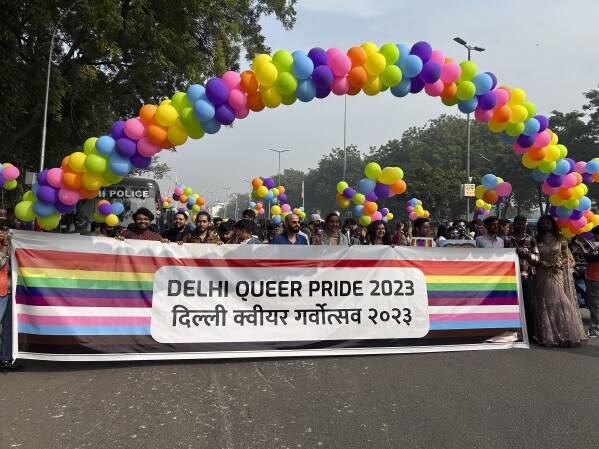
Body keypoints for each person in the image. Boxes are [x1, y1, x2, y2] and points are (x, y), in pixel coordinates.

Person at [533, 215, 588, 347]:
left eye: (548, 223)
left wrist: (560, 262)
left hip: (557, 273)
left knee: (561, 301)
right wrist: (539, 262)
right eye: (543, 223)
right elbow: (533, 256)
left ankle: (565, 334)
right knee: (544, 302)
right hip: (541, 273)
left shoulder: (561, 239)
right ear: (540, 226)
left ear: (552, 225)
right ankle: (547, 336)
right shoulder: (536, 240)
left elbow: (567, 257)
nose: (545, 225)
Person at [505, 215, 540, 340]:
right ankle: (510, 332)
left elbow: (537, 258)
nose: (521, 226)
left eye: (523, 224)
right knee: (509, 306)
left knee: (528, 305)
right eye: (519, 223)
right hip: (507, 277)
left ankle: (529, 334)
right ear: (514, 224)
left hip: (525, 276)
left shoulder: (531, 240)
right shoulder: (506, 239)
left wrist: (525, 253)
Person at [0, 220, 24, 371]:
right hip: (1, 292)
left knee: (9, 325)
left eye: (5, 230)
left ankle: (5, 358)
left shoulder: (12, 244)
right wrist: (4, 245)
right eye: (1, 230)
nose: (3, 233)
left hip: (10, 292)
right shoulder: (4, 245)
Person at [579, 226, 599, 338]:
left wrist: (581, 247)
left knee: (595, 304)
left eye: (595, 234)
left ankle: (595, 329)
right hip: (593, 277)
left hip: (595, 279)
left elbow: (591, 259)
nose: (594, 237)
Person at [570, 235, 589, 308]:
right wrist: (573, 269)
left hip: (586, 270)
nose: (575, 240)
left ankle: (585, 301)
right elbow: (569, 259)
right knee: (577, 287)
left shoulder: (587, 245)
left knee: (586, 288)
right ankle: (580, 301)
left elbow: (589, 258)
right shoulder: (569, 246)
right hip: (575, 270)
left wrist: (581, 246)